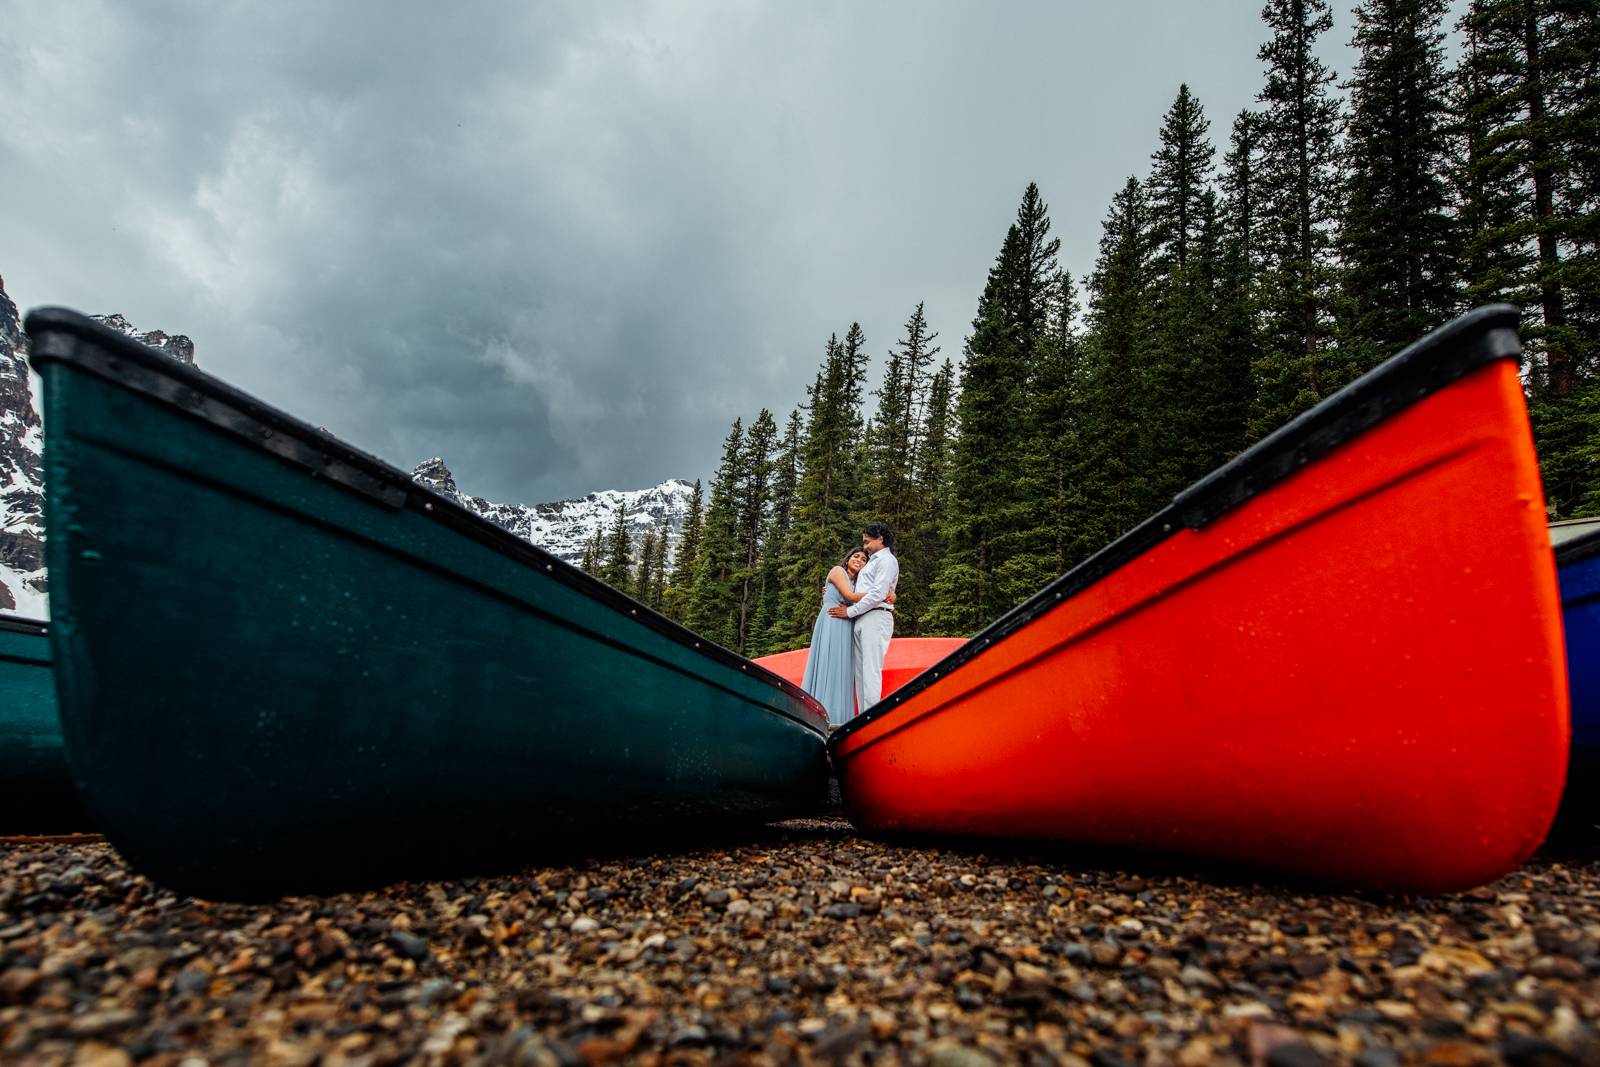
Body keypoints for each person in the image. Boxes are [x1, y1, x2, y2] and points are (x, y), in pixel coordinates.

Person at [829, 521, 898, 711]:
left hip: (876, 617)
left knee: (871, 670)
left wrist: (849, 611)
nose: (865, 546)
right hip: (862, 619)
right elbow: (866, 591)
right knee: (860, 673)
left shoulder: (887, 560)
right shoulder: (873, 561)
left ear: (880, 539)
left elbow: (878, 594)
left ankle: (872, 715)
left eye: (868, 542)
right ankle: (864, 715)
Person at [801, 548, 869, 726]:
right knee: (829, 664)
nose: (859, 560)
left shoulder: (860, 583)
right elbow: (849, 596)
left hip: (847, 625)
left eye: (864, 560)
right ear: (848, 559)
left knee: (844, 670)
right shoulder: (837, 571)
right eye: (856, 556)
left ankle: (840, 719)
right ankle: (821, 716)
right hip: (832, 622)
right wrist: (883, 595)